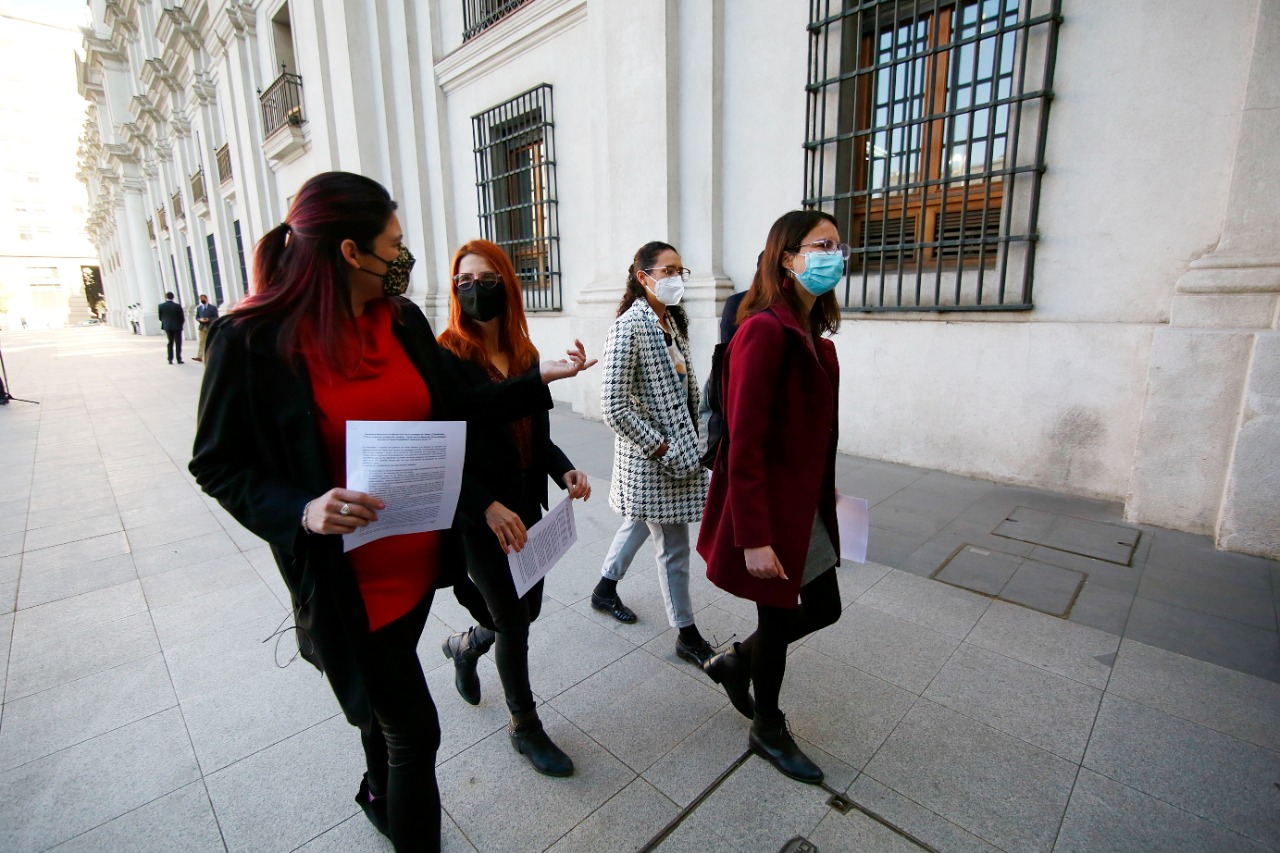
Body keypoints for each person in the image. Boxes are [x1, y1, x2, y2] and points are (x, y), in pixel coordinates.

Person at [188, 171, 595, 852]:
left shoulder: (401, 319)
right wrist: (305, 509)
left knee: (383, 719)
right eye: (394, 244)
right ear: (352, 252)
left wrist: (535, 380)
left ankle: (377, 791)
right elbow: (217, 463)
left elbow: (453, 410)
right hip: (348, 588)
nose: (404, 257)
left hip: (418, 567)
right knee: (416, 733)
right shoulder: (252, 338)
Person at [697, 209, 847, 785]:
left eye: (838, 246)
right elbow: (745, 440)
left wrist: (824, 486)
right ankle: (767, 726)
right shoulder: (762, 330)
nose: (835, 255)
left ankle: (736, 662)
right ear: (787, 257)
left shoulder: (809, 332)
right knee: (778, 615)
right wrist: (754, 537)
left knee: (824, 606)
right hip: (770, 509)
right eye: (822, 245)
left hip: (803, 502)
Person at [435, 239, 591, 777]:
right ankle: (524, 726)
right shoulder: (447, 355)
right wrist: (484, 506)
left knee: (527, 612)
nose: (474, 288)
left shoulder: (523, 353)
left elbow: (535, 437)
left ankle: (466, 646)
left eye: (485, 278)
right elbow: (441, 448)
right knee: (513, 622)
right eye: (463, 281)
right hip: (480, 517)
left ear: (507, 283)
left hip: (527, 511)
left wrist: (564, 469)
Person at [592, 241, 715, 667]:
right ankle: (687, 634)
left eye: (681, 270)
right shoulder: (629, 326)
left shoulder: (670, 321)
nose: (677, 278)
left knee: (641, 523)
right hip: (655, 460)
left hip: (677, 453)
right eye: (668, 270)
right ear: (643, 278)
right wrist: (661, 447)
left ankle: (604, 588)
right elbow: (613, 405)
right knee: (674, 546)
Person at [158, 293, 183, 363]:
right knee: (178, 343)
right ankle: (179, 359)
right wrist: (180, 324)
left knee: (170, 342)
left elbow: (160, 317)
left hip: (167, 327)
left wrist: (166, 323)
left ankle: (170, 359)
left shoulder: (161, 306)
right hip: (177, 326)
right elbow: (181, 317)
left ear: (166, 297)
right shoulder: (177, 306)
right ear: (173, 297)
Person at [193, 294, 218, 361]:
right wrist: (200, 319)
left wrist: (209, 319)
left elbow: (216, 317)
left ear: (206, 299)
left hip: (210, 326)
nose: (202, 300)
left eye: (203, 299)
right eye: (201, 299)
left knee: (211, 341)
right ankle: (199, 356)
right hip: (202, 327)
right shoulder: (199, 308)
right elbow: (197, 317)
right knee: (201, 342)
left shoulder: (213, 308)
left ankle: (213, 355)